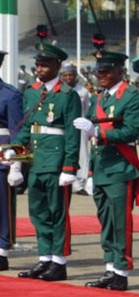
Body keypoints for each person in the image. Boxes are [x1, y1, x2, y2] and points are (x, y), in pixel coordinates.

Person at [73, 40, 139, 291]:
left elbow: (131, 131)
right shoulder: (100, 97)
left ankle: (121, 272)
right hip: (103, 168)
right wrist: (91, 171)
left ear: (119, 71)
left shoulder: (132, 97)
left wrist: (100, 133)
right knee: (106, 221)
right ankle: (109, 268)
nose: (100, 75)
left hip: (120, 168)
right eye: (98, 71)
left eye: (105, 71)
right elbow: (94, 141)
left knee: (120, 222)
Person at [13, 39, 81, 281]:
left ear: (56, 66)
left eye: (44, 65)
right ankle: (44, 258)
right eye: (37, 65)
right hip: (36, 160)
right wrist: (15, 155)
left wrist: (70, 166)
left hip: (56, 162)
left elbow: (73, 134)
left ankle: (59, 262)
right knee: (38, 211)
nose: (39, 69)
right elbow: (27, 129)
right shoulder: (31, 92)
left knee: (57, 213)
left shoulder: (67, 95)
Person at [0, 50, 24, 271]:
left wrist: (16, 163)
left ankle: (2, 250)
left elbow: (17, 130)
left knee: (1, 205)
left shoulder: (10, 94)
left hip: (2, 152)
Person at [61, 62, 92, 194]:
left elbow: (86, 110)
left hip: (79, 127)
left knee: (82, 154)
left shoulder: (83, 91)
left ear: (75, 76)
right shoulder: (60, 91)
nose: (68, 78)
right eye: (66, 75)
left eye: (71, 75)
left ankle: (80, 184)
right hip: (63, 127)